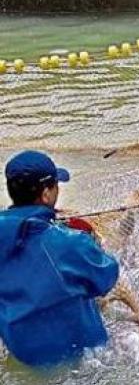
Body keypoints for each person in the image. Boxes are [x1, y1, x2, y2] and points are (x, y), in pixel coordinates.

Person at [0, 151, 119, 367]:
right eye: (56, 185)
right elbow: (107, 277)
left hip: (23, 354)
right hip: (80, 358)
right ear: (46, 194)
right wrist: (92, 244)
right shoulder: (70, 242)